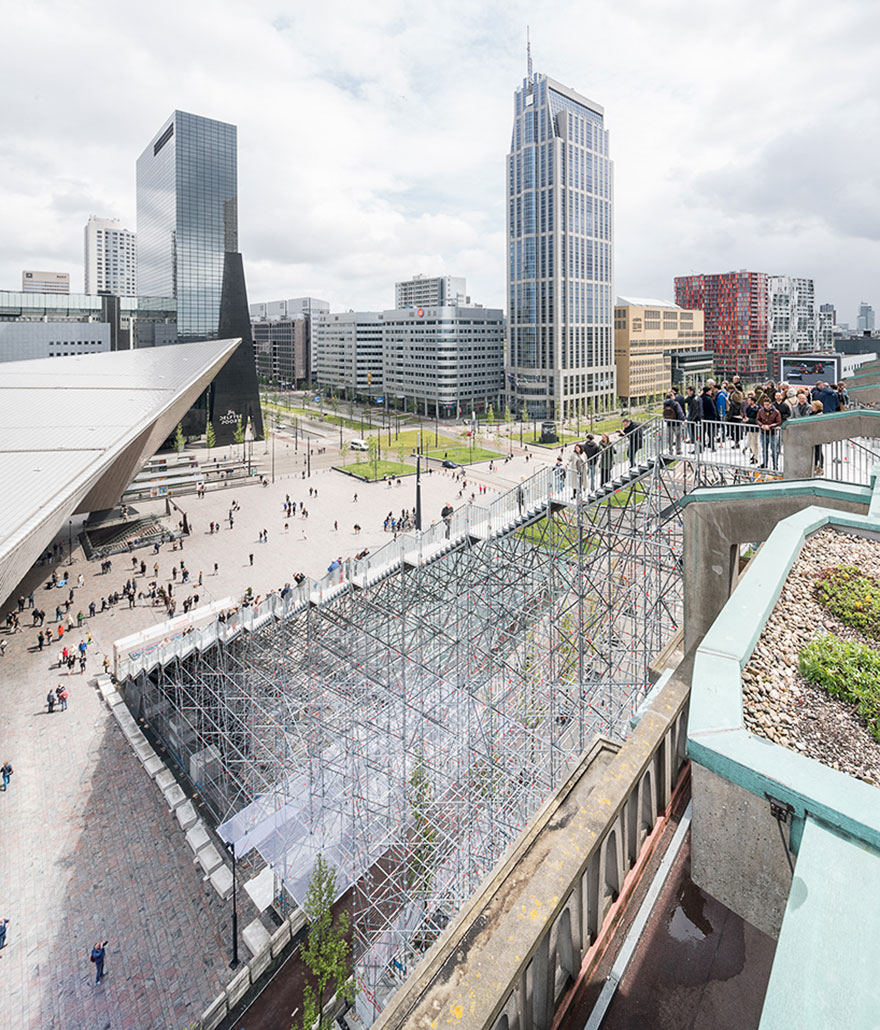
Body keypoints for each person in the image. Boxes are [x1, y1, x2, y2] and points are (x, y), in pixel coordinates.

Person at [756, 396, 782, 470]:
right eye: (765, 405)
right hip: (763, 432)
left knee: (774, 450)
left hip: (773, 433)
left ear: (771, 404)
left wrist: (770, 426)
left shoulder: (776, 412)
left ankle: (775, 465)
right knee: (764, 449)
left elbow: (778, 422)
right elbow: (757, 419)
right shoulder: (760, 411)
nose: (766, 406)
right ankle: (765, 463)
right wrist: (762, 425)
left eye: (767, 404)